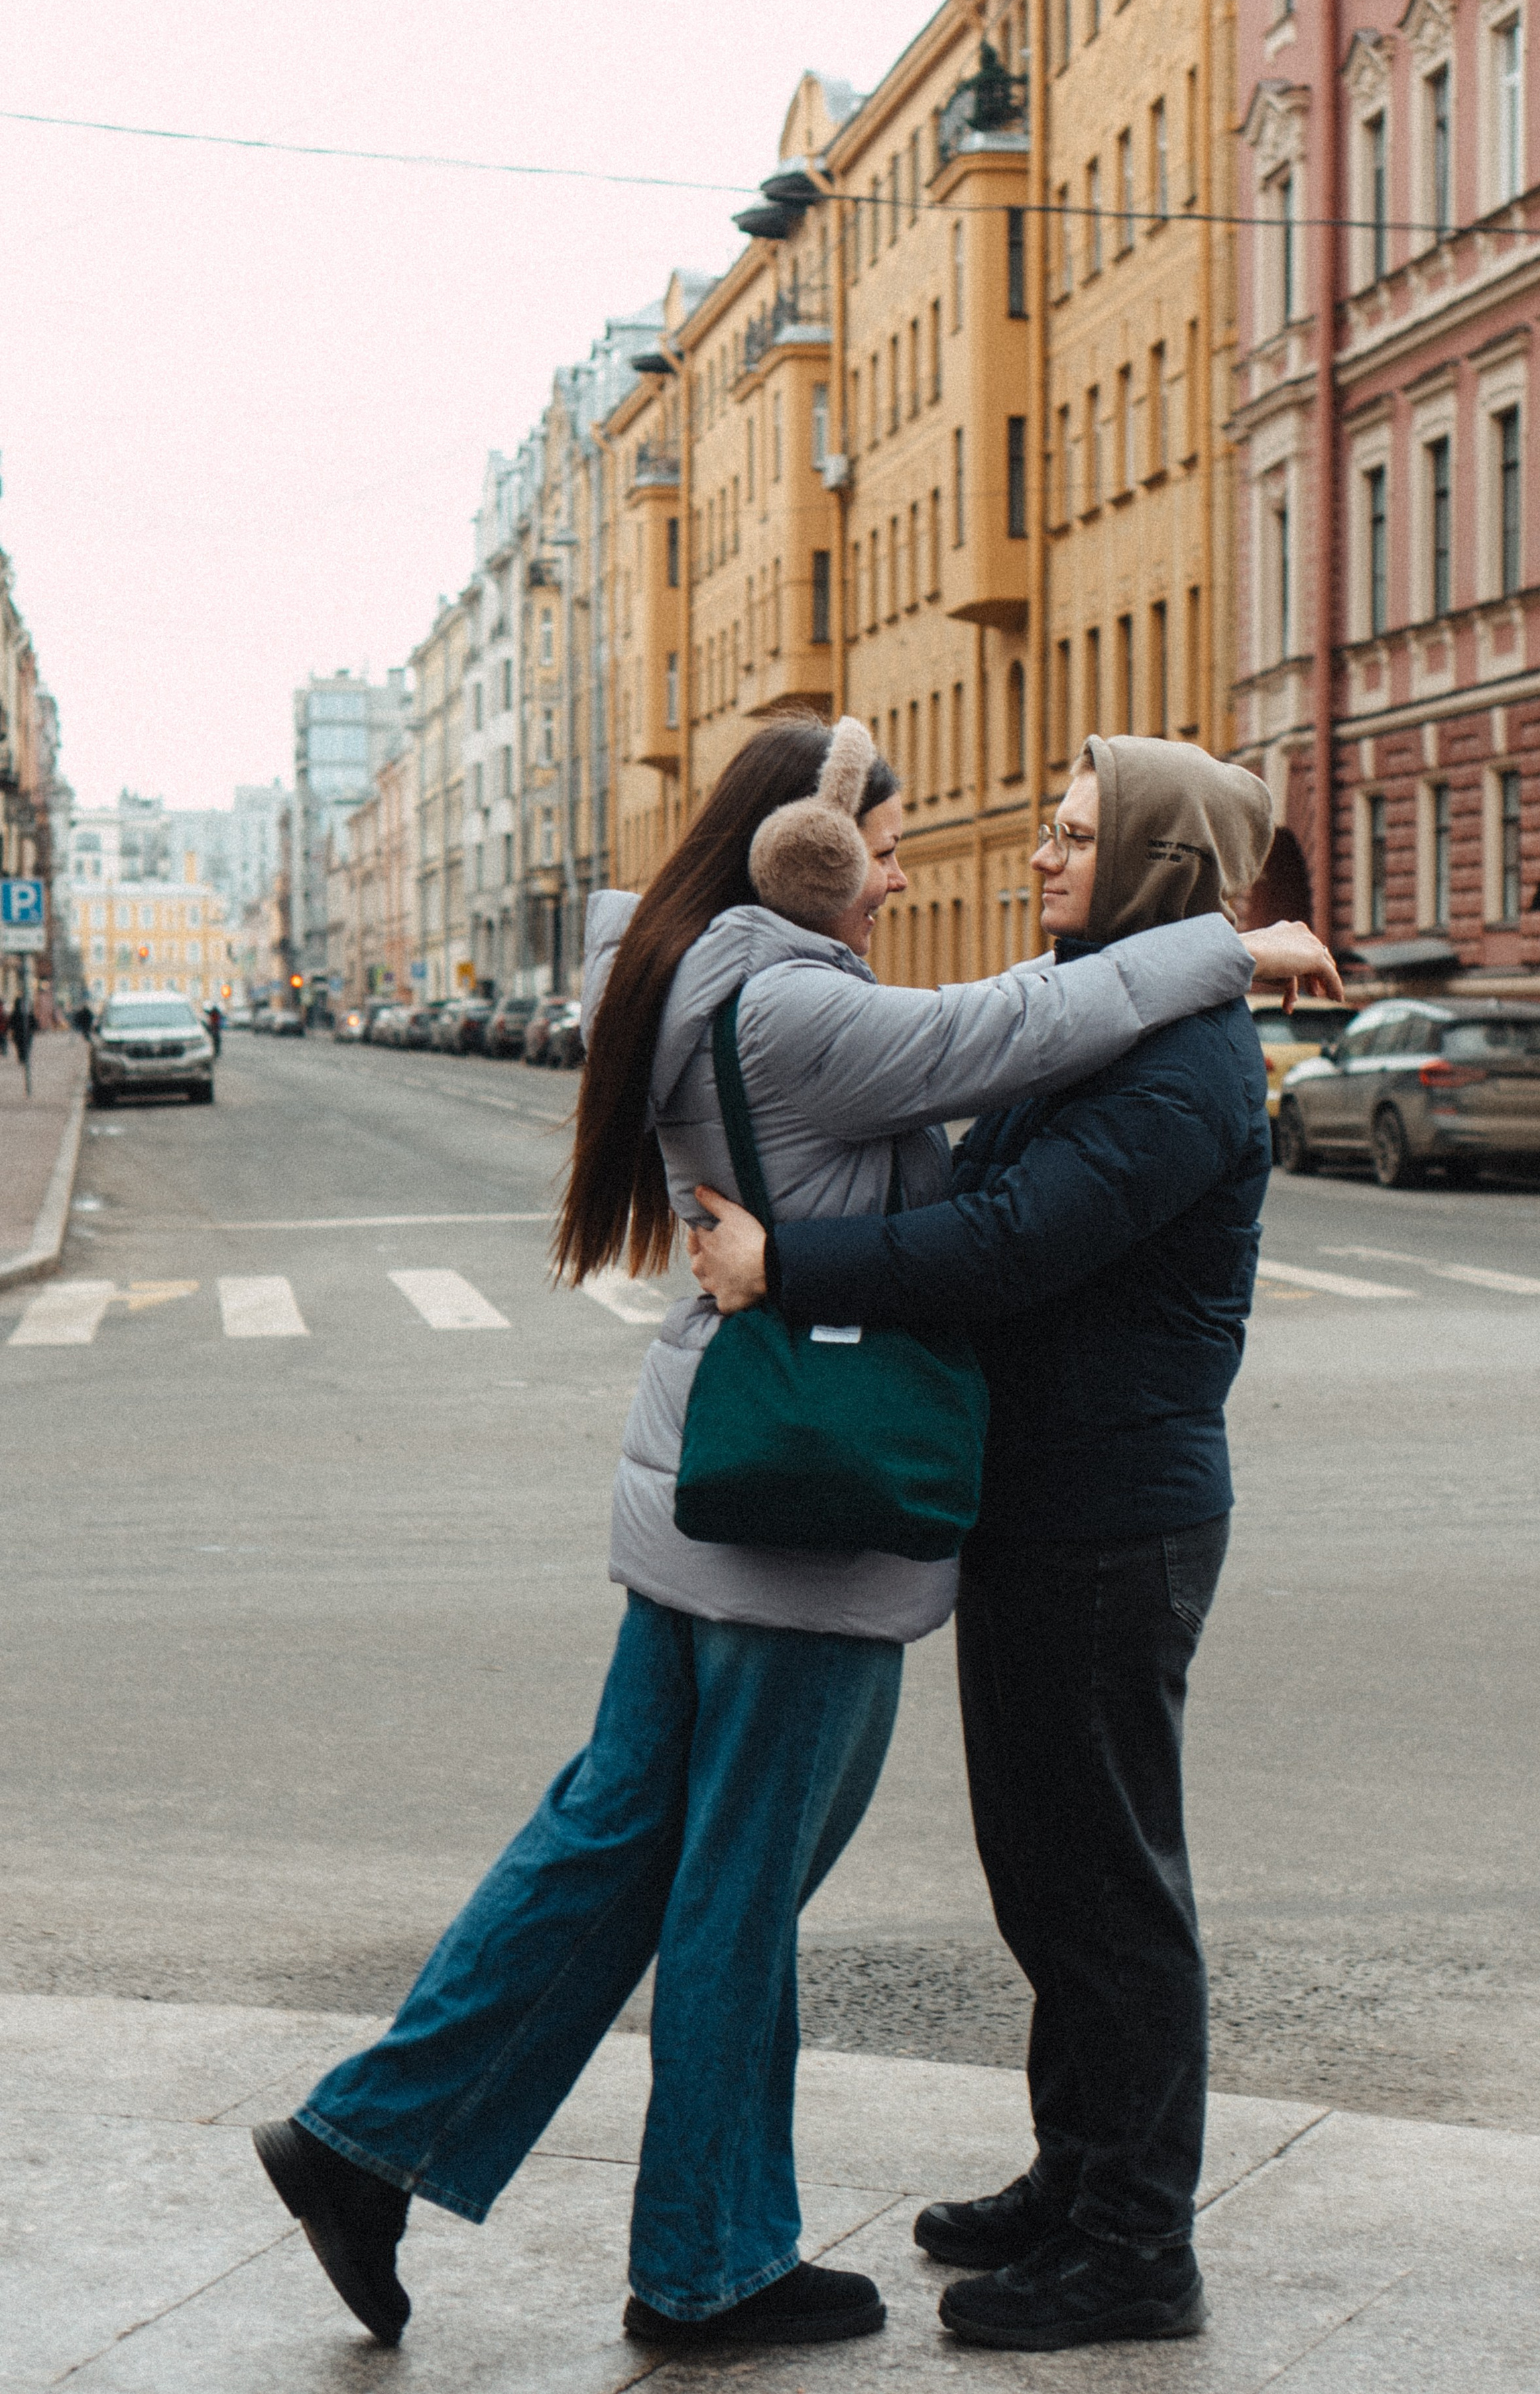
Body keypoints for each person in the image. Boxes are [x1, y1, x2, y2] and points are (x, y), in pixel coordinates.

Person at [251, 717, 1317, 2358]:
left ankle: (368, 2144)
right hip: (802, 1507)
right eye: (885, 847)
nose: (924, 870)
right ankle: (703, 2259)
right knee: (747, 1883)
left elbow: (1018, 1179)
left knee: (630, 1841)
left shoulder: (698, 976)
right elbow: (1016, 1062)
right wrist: (1223, 947)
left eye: (1062, 830)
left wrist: (1200, 962)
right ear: (800, 849)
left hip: (787, 1484)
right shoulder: (801, 1004)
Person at [689, 735, 1337, 2354]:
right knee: (1042, 1867)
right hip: (1043, 1506)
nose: (1039, 859)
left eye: (1069, 838)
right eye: (1045, 832)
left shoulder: (1179, 1061)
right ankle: (1075, 2173)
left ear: (1153, 872)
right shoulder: (1100, 1019)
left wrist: (794, 1263)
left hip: (1115, 1516)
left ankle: (1135, 2246)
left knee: (1109, 1885)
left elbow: (1005, 1242)